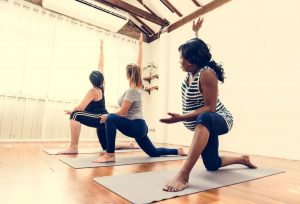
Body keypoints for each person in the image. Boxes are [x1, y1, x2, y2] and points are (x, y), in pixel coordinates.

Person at [160, 17, 257, 192]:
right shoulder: (192, 71)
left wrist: (180, 118)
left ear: (190, 60)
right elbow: (196, 49)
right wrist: (195, 33)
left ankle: (183, 175)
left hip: (219, 119)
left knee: (205, 116)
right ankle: (242, 159)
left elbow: (210, 108)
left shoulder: (207, 74)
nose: (180, 60)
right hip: (205, 123)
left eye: (182, 57)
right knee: (211, 164)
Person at [93, 33, 186, 163]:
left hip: (136, 126)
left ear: (128, 75)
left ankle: (110, 154)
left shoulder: (132, 91)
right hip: (140, 126)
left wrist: (106, 117)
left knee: (111, 118)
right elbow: (139, 65)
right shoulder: (138, 88)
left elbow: (122, 113)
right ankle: (177, 151)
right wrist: (140, 46)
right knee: (153, 152)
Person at [59, 40, 136, 154]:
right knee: (106, 146)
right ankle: (129, 145)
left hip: (100, 118)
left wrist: (72, 111)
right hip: (103, 118)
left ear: (91, 81)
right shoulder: (102, 86)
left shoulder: (93, 91)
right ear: (101, 79)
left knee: (75, 115)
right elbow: (101, 65)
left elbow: (80, 108)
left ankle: (73, 147)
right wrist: (101, 49)